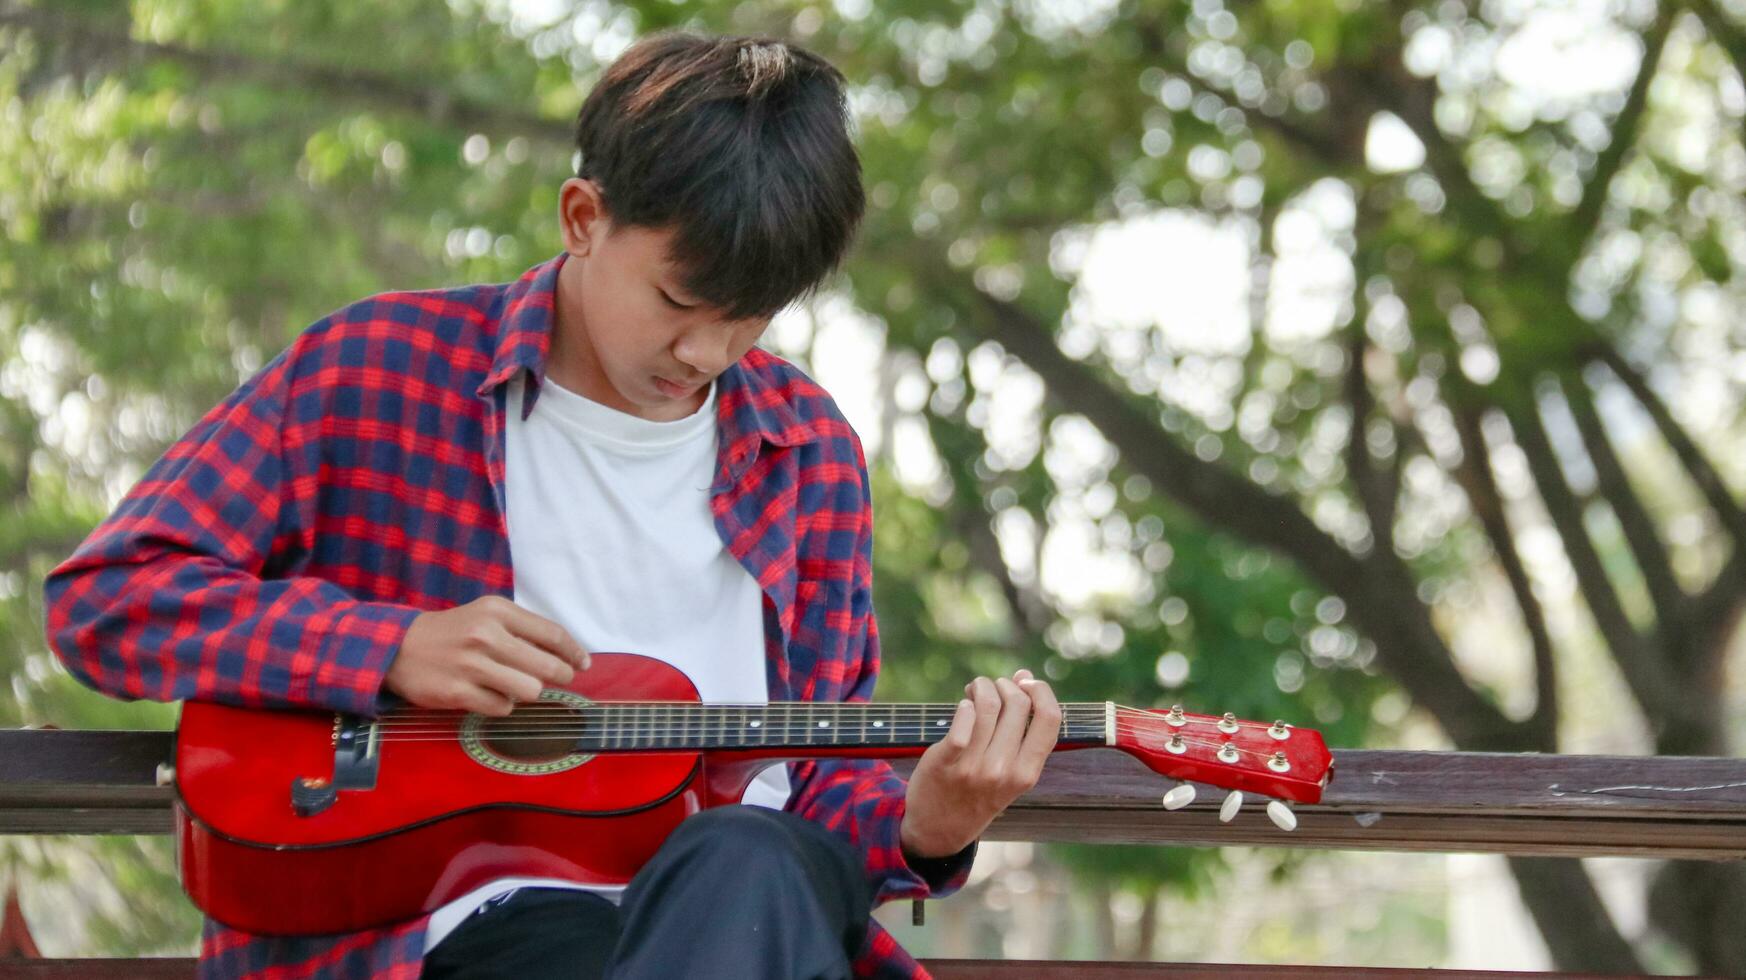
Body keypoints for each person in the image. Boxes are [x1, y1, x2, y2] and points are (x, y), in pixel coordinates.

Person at [43, 31, 1061, 980]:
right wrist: (387, 645)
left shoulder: (809, 451)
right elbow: (106, 600)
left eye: (749, 318)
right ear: (583, 218)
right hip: (476, 929)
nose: (707, 353)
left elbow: (819, 777)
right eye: (677, 302)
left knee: (746, 852)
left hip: (759, 917)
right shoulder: (377, 371)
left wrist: (928, 825)